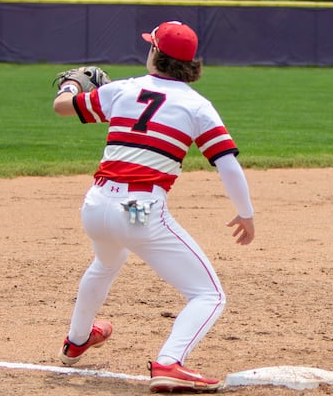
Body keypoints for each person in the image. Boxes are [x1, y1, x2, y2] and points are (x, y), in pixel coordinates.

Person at [53, 20, 255, 392]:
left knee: (107, 261)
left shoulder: (123, 90)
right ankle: (169, 363)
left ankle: (77, 339)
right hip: (136, 207)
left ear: (154, 54)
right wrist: (246, 213)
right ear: (191, 65)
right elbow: (226, 162)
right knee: (208, 294)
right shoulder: (197, 105)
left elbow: (62, 107)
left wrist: (72, 84)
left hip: (96, 204)